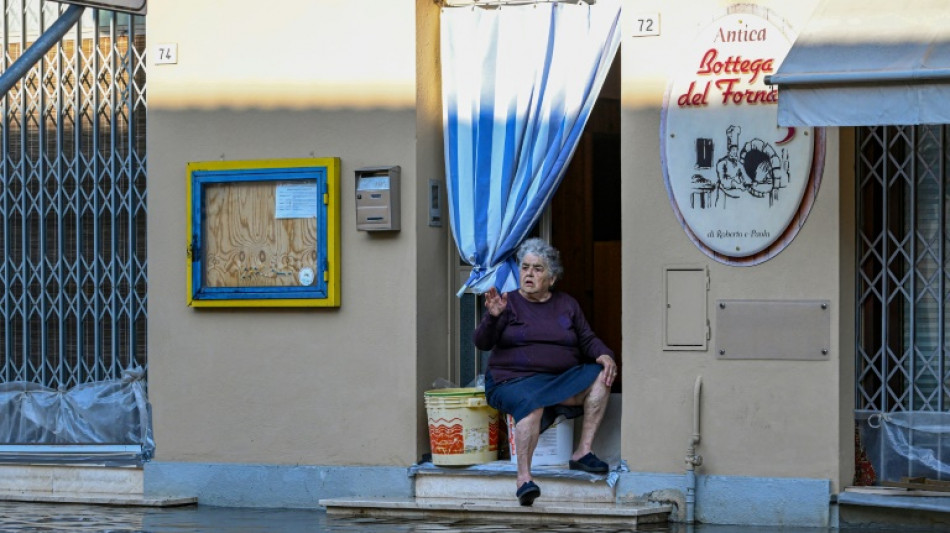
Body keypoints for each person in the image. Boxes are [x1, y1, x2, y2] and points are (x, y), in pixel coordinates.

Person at [473, 238, 617, 507]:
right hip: (511, 380)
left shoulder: (567, 304)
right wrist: (492, 318)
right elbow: (482, 342)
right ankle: (524, 480)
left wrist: (605, 354)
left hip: (556, 379)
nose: (528, 274)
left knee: (602, 374)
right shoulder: (508, 303)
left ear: (552, 278)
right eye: (525, 267)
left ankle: (583, 451)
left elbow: (587, 338)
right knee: (532, 404)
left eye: (537, 269)